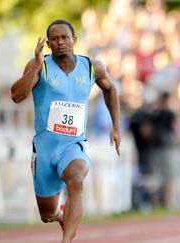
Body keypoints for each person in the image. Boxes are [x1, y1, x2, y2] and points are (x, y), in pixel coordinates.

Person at [10, 19, 121, 243]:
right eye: (55, 39)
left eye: (64, 37)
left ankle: (66, 241)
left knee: (77, 180)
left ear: (74, 40)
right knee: (47, 214)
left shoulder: (91, 66)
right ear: (48, 43)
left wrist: (116, 127)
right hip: (45, 149)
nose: (60, 42)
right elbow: (16, 95)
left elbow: (111, 89)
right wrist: (35, 65)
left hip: (74, 145)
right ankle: (60, 214)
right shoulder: (39, 65)